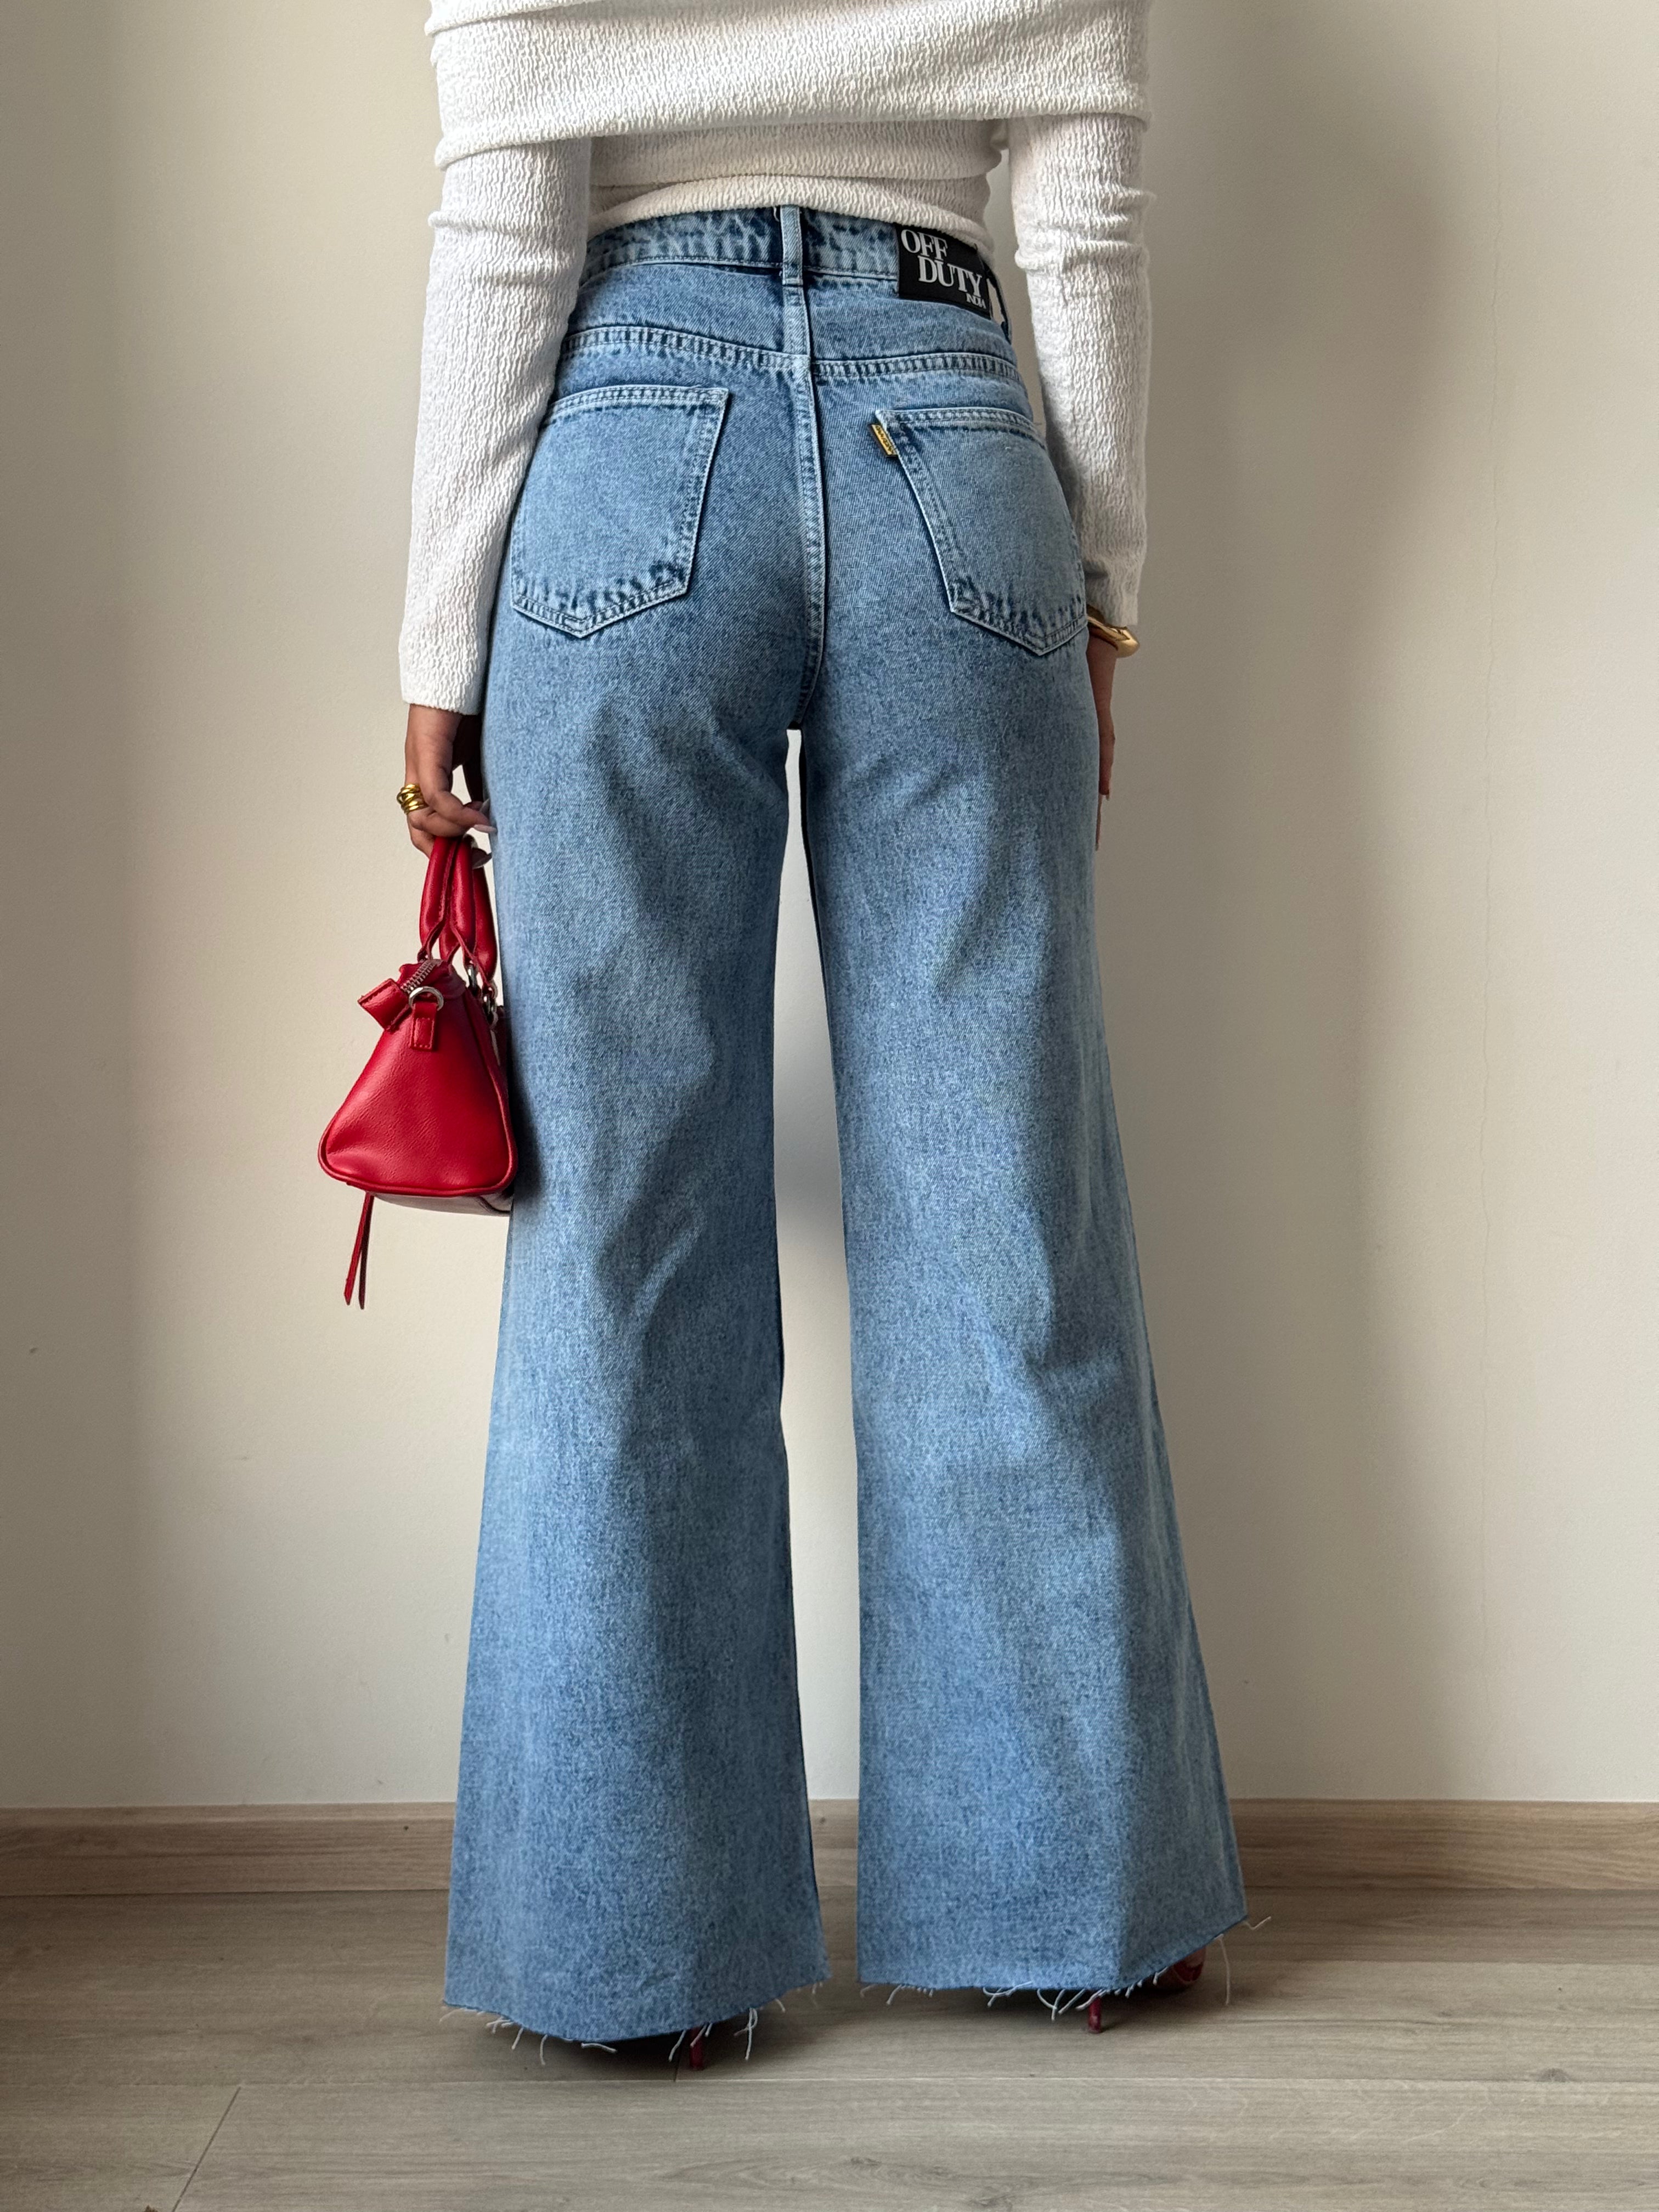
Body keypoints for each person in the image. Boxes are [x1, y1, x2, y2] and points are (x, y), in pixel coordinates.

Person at [393, 0, 1247, 2058]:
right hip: (954, 434)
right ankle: (1077, 1906)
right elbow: (1083, 197)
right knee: (1002, 1202)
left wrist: (439, 635)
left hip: (621, 440)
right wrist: (1104, 583)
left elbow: (509, 199)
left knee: (622, 1233)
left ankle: (635, 1965)